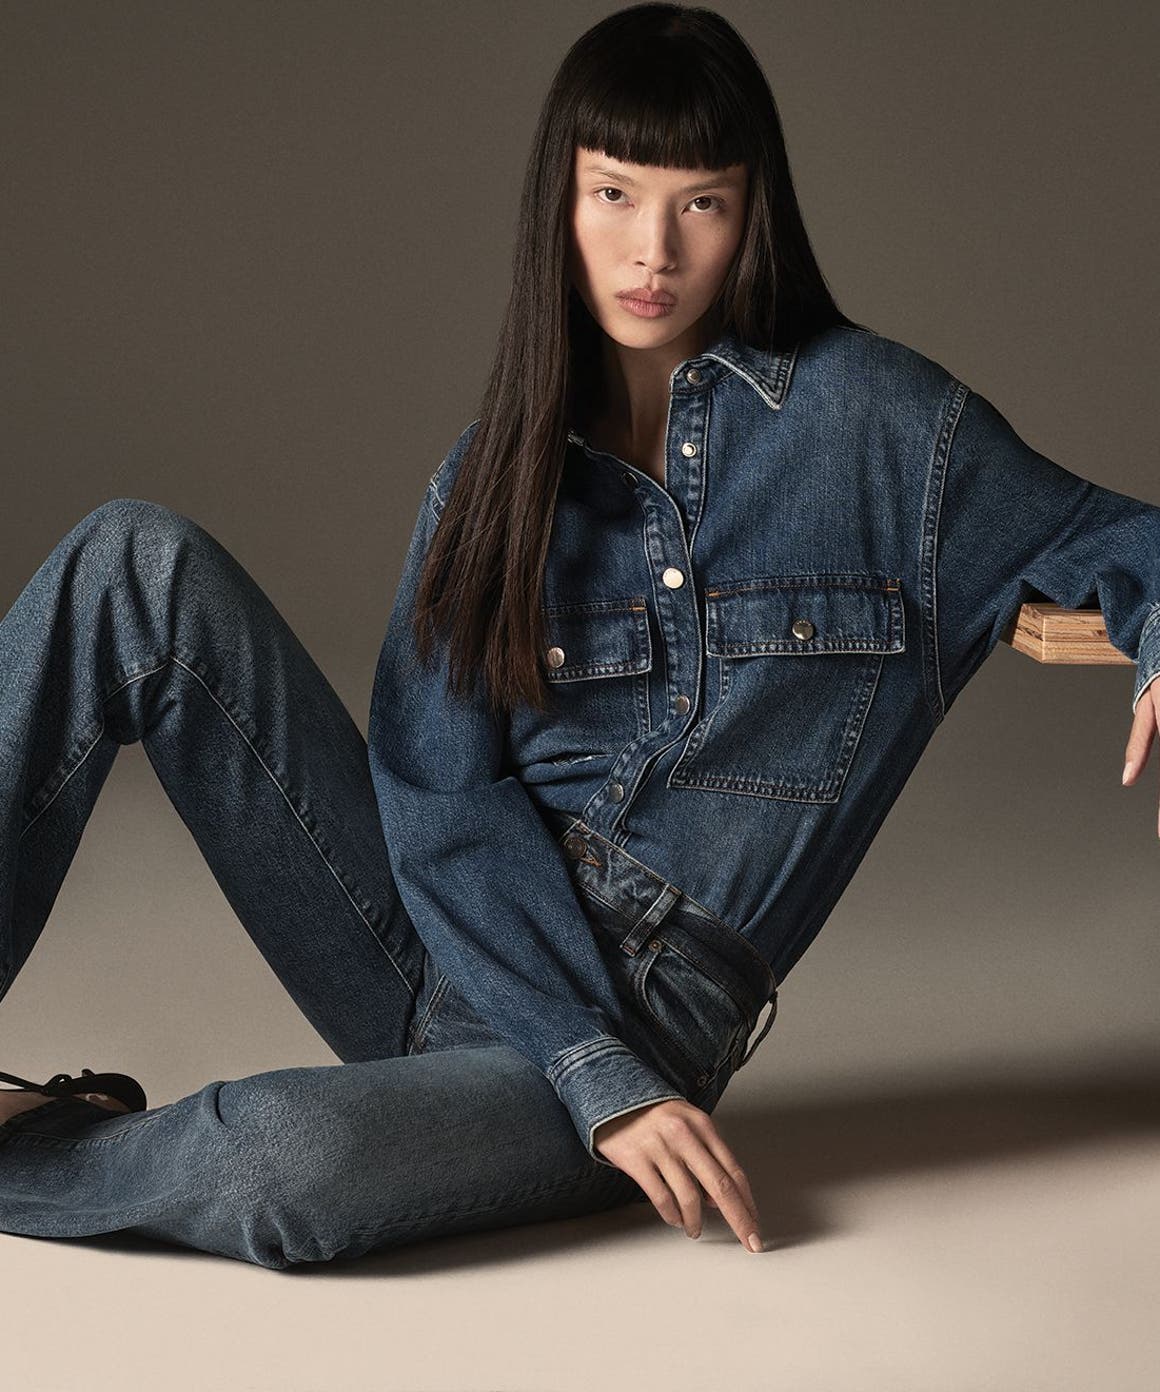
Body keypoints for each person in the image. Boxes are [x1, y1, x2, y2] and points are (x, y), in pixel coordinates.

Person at [1, 3, 1157, 1272]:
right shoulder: (492, 477)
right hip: (443, 945)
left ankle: (42, 1143)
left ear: (751, 211)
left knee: (278, 1160)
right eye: (612, 193)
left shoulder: (888, 432)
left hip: (630, 1047)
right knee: (132, 561)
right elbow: (438, 803)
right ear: (558, 200)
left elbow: (1119, 539)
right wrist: (554, 1024)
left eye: (699, 203)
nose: (649, 248)